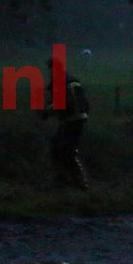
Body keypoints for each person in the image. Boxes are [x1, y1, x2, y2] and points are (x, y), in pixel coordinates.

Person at [41, 56, 89, 190]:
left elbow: (60, 104)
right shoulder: (71, 81)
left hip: (71, 121)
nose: (50, 72)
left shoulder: (61, 82)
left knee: (67, 151)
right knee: (57, 148)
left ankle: (80, 183)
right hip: (74, 120)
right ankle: (62, 179)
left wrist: (46, 112)